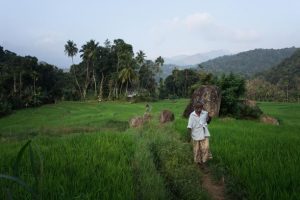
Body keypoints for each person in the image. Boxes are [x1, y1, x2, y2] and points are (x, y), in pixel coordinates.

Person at [187, 100, 212, 166]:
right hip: (195, 135)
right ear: (194, 107)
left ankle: (204, 162)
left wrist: (209, 117)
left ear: (202, 107)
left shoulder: (205, 113)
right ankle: (198, 163)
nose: (198, 109)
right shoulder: (192, 115)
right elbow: (189, 127)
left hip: (204, 134)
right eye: (197, 108)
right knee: (197, 150)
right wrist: (189, 137)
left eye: (200, 108)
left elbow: (208, 121)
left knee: (206, 148)